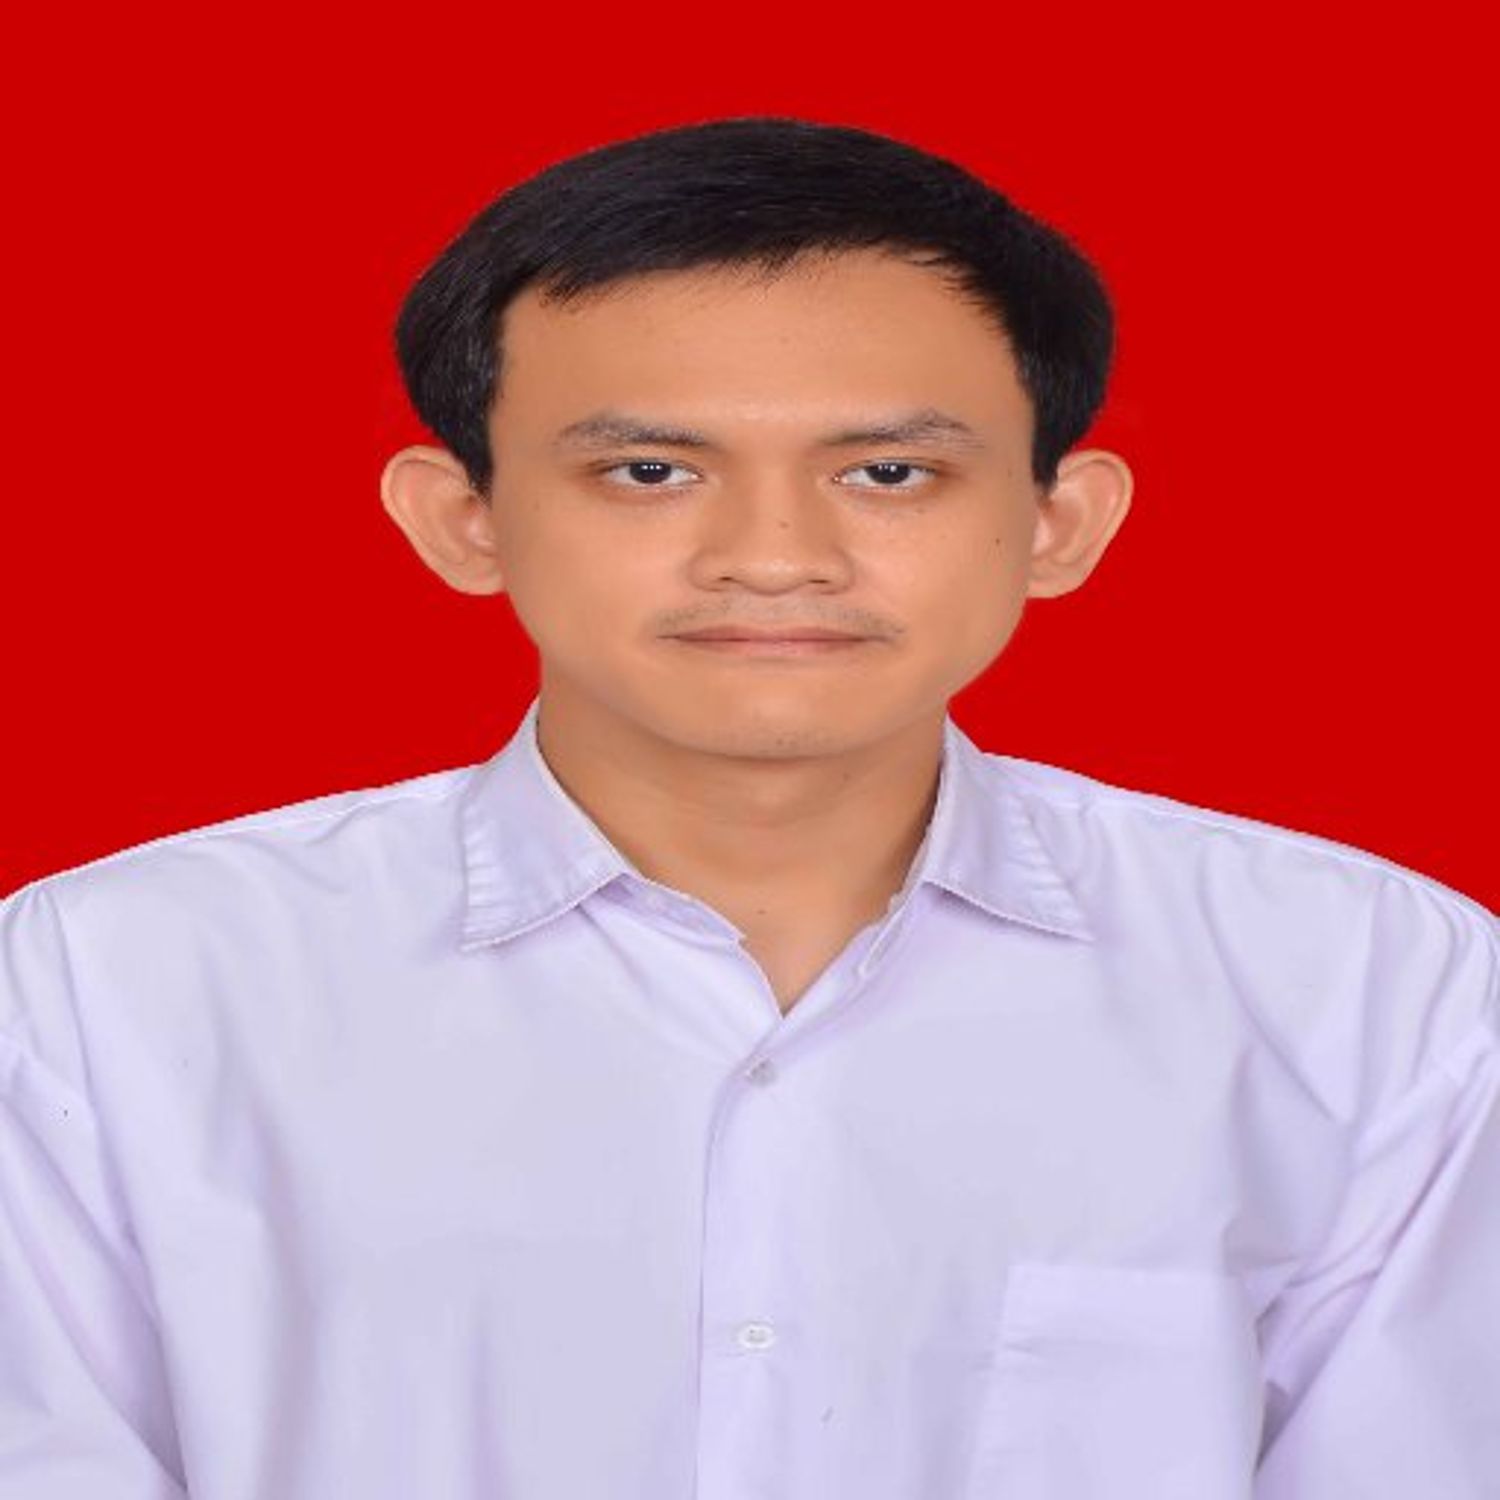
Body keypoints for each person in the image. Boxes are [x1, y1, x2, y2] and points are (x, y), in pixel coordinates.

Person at [1, 115, 1495, 1499]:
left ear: (1059, 522)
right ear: (465, 519)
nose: (774, 557)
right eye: (650, 469)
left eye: (890, 471)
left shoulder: (1368, 989)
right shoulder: (107, 987)